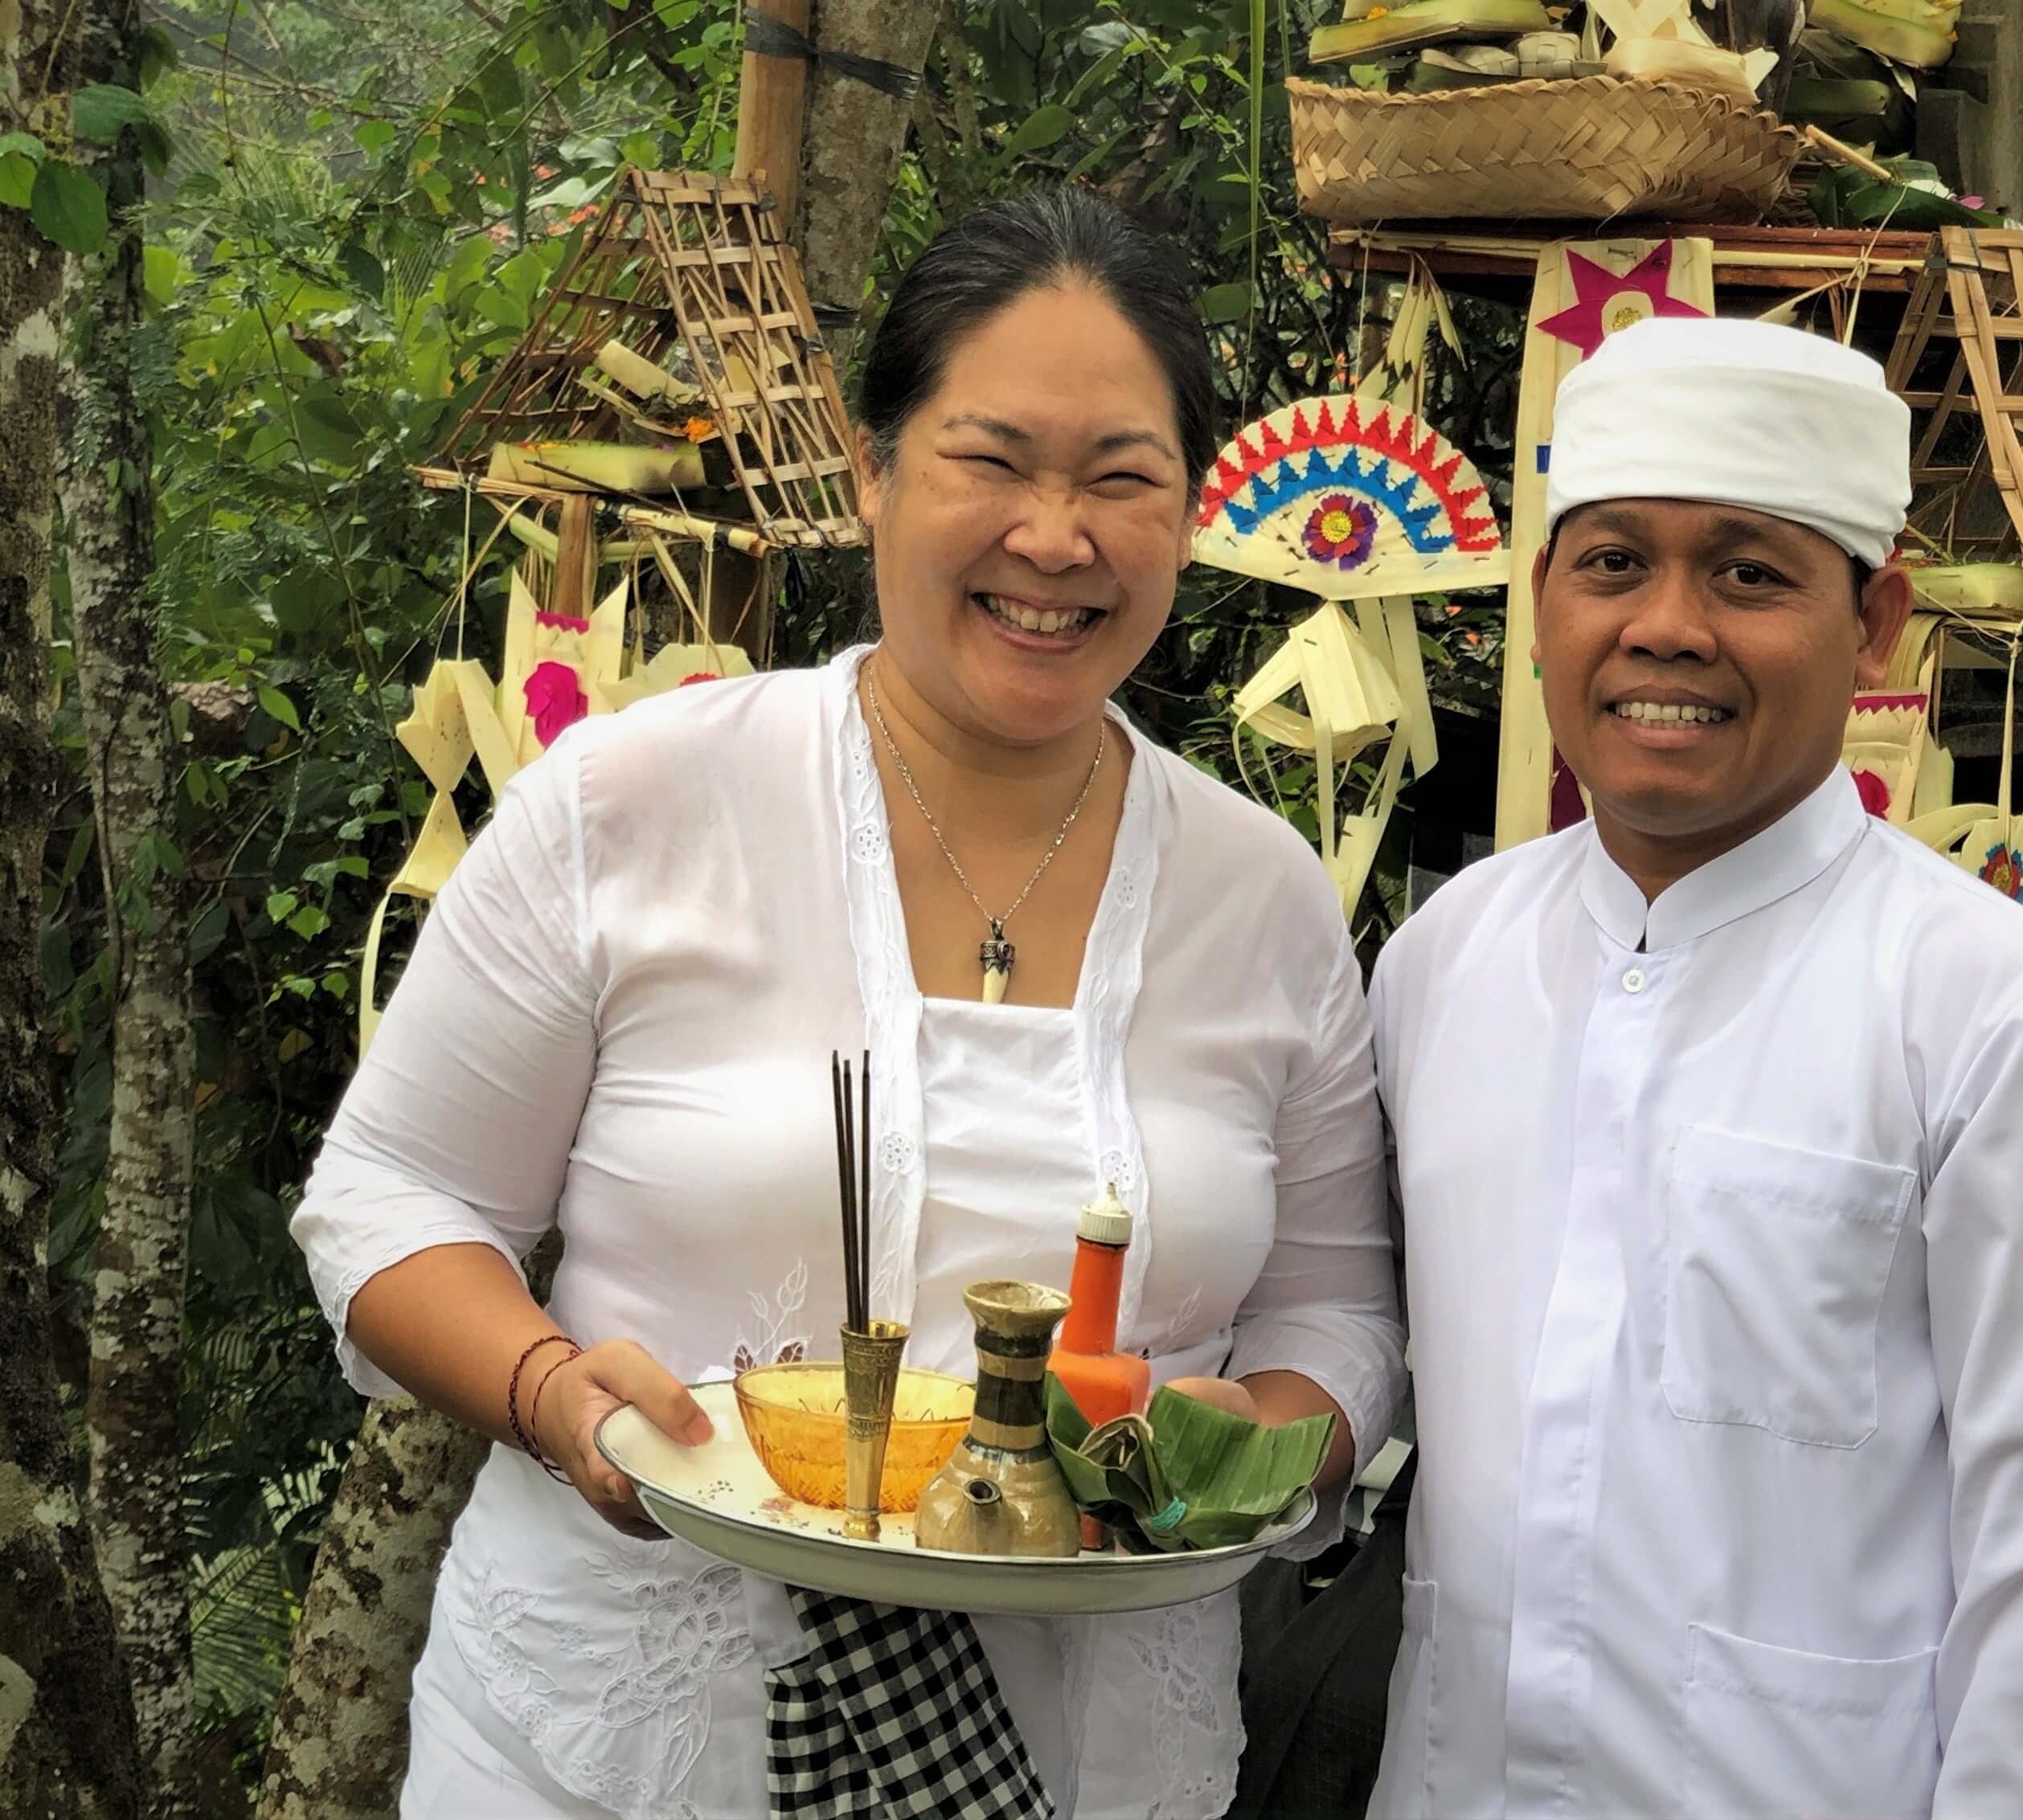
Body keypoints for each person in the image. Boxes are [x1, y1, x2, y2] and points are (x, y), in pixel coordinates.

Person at [290, 187, 1405, 1820]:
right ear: (873, 470)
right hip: (615, 1753)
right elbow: (391, 1196)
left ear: (1184, 509)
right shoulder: (636, 801)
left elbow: (1335, 1313)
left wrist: (1258, 1436)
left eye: (1120, 477)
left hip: (1096, 1762)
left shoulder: (1267, 895)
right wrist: (547, 1390)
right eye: (991, 459)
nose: (1054, 535)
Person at [1366, 316, 2023, 1818]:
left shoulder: (2006, 1016)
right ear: (1538, 598)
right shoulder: (1444, 959)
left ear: (1876, 620)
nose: (1667, 625)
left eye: (1749, 573)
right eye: (1611, 561)